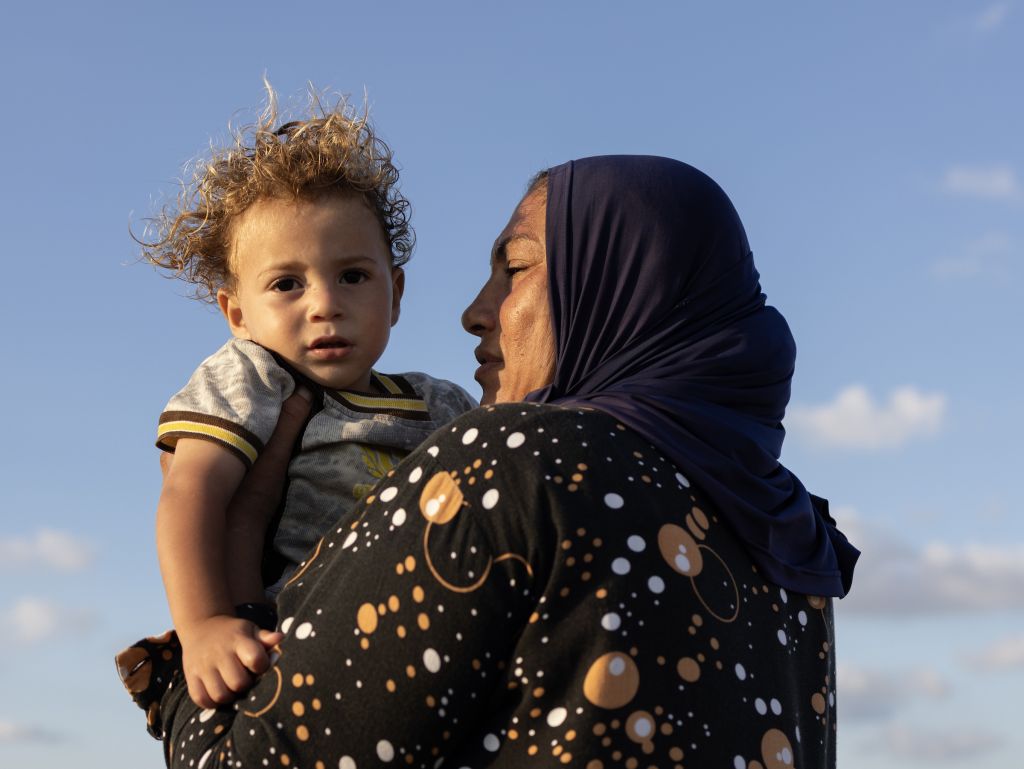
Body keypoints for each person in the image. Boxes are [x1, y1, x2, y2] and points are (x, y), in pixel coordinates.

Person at [118, 155, 858, 769]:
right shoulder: (793, 548)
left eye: (517, 269)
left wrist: (239, 550)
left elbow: (244, 758)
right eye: (287, 281)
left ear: (619, 286)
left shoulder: (520, 460)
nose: (475, 309)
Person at [137, 92, 475, 709]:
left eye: (353, 276)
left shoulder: (441, 404)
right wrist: (204, 626)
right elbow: (189, 496)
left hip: (436, 628)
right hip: (303, 635)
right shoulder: (254, 377)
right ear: (236, 313)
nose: (324, 303)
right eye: (286, 284)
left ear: (395, 294)